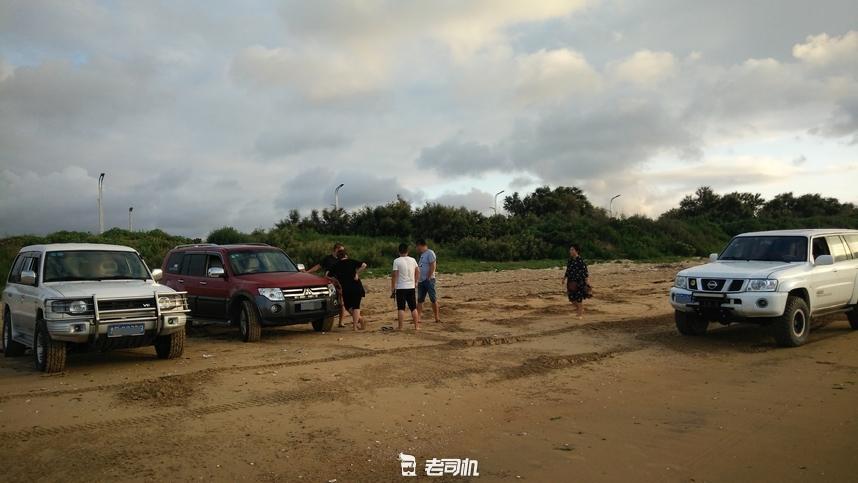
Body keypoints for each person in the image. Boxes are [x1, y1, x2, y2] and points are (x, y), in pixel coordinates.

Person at [306, 243, 346, 327]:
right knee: (329, 301)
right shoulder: (328, 259)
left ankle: (341, 322)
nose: (342, 252)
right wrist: (307, 272)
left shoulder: (342, 258)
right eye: (341, 250)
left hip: (340, 283)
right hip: (329, 283)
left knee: (341, 303)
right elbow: (318, 266)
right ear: (335, 250)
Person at [330, 249, 367, 331]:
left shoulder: (336, 265)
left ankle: (359, 320)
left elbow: (328, 275)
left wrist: (336, 281)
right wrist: (357, 273)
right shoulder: (352, 261)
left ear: (338, 257)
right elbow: (364, 265)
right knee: (356, 306)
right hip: (357, 287)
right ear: (346, 255)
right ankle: (356, 325)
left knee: (348, 306)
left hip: (346, 288)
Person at [391, 243, 420, 330]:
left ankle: (400, 327)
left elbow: (394, 275)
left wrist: (393, 287)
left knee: (401, 308)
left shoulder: (396, 261)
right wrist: (416, 282)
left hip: (401, 287)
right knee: (413, 308)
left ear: (399, 251)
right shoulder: (413, 260)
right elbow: (418, 271)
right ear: (408, 251)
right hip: (411, 287)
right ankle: (416, 326)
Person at [563, 244, 591, 320]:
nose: (570, 251)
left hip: (579, 282)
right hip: (571, 281)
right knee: (571, 298)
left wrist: (587, 282)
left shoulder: (581, 260)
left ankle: (579, 314)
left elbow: (585, 272)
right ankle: (580, 309)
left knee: (578, 298)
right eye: (570, 250)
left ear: (577, 251)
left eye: (572, 250)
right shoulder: (570, 260)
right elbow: (568, 270)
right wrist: (564, 278)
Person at [416, 239, 440, 323]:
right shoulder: (422, 254)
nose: (417, 248)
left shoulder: (430, 253)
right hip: (421, 280)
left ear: (421, 245)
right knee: (420, 300)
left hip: (428, 280)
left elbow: (433, 265)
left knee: (433, 298)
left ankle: (437, 318)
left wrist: (429, 277)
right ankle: (418, 318)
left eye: (417, 246)